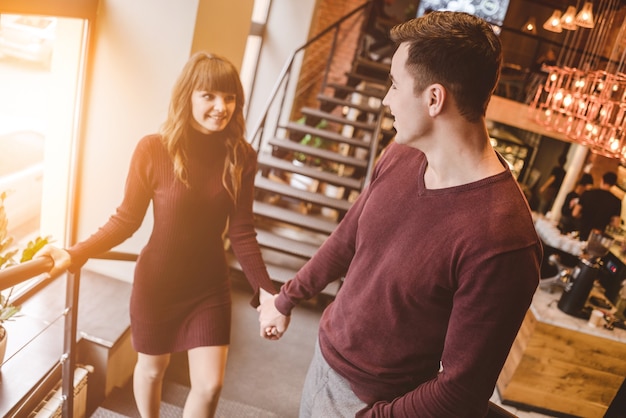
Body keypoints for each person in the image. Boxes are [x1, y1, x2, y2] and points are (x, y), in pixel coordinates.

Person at [258, 11, 542, 418]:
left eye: (394, 84)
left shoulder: (503, 240)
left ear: (434, 98)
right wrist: (287, 298)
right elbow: (349, 235)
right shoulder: (403, 152)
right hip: (324, 360)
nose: (386, 99)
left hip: (379, 405)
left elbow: (460, 392)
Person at [36, 52, 277, 418]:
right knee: (151, 370)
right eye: (209, 95)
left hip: (209, 287)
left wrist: (267, 292)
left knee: (210, 385)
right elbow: (126, 219)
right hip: (157, 284)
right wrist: (77, 252)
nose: (220, 107)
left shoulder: (241, 156)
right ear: (188, 96)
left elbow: (242, 231)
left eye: (229, 98)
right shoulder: (154, 148)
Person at [573, 171, 622, 241]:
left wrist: (583, 215)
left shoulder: (587, 193)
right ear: (613, 184)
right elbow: (615, 224)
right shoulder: (616, 202)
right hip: (597, 236)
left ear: (602, 180)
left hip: (580, 230)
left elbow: (575, 213)